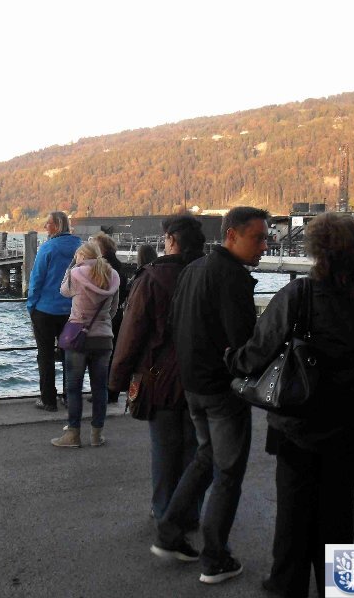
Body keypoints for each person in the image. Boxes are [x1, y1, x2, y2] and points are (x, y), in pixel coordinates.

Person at [225, 212, 354, 598]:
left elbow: (258, 351)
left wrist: (230, 360)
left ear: (317, 250)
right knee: (339, 512)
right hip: (352, 427)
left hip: (298, 426)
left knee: (294, 511)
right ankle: (340, 587)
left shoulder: (298, 294)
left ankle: (286, 584)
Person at [151, 206, 269, 585]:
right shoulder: (232, 278)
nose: (264, 246)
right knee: (227, 473)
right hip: (223, 389)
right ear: (232, 235)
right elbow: (243, 343)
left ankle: (169, 531)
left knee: (205, 458)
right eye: (258, 238)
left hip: (193, 386)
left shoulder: (193, 269)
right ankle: (215, 557)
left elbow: (174, 325)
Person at [109, 215, 206, 526]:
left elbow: (132, 332)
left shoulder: (152, 278)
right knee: (193, 448)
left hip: (161, 377)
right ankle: (190, 511)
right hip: (202, 376)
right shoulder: (209, 275)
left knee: (165, 447)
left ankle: (165, 511)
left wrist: (116, 380)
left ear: (171, 240)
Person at [51, 241, 120, 448]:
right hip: (103, 339)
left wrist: (71, 266)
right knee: (100, 388)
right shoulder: (112, 275)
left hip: (78, 339)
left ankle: (73, 434)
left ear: (82, 256)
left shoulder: (75, 274)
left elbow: (63, 291)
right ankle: (97, 435)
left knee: (74, 388)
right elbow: (113, 310)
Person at [27, 211, 81, 412]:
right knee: (70, 356)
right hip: (72, 310)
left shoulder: (47, 248)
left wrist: (31, 305)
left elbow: (36, 279)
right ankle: (70, 397)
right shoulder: (80, 247)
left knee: (46, 355)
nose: (45, 227)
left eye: (48, 223)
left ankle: (48, 399)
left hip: (45, 309)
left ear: (57, 226)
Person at [93, 232, 128, 403]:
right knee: (113, 354)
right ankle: (112, 390)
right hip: (118, 315)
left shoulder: (102, 267)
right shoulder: (120, 267)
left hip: (104, 315)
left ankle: (102, 392)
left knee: (100, 356)